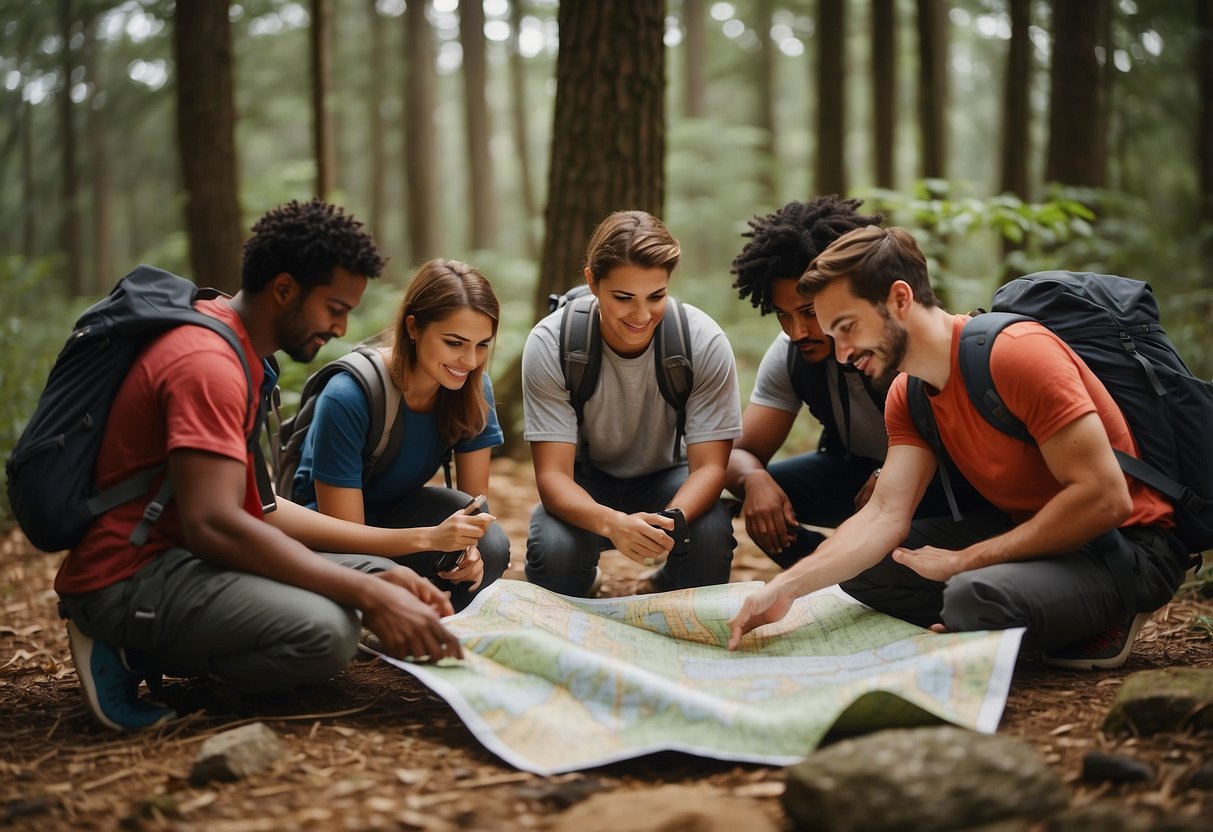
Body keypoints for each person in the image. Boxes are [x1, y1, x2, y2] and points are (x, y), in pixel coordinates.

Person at [55, 199, 465, 732]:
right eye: (334, 308)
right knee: (329, 634)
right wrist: (362, 593)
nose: (341, 328)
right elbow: (214, 525)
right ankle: (128, 649)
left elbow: (261, 509)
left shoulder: (243, 351)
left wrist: (388, 571)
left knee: (387, 580)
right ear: (284, 289)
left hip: (190, 556)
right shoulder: (208, 364)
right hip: (132, 573)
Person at [727, 225, 1190, 668]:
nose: (843, 352)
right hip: (1031, 538)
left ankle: (1097, 616)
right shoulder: (907, 394)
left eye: (847, 327)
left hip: (1122, 547)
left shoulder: (1017, 353)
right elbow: (883, 515)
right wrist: (784, 588)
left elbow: (1104, 498)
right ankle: (1001, 616)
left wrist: (964, 562)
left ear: (900, 298)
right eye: (834, 336)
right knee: (863, 568)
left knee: (974, 596)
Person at [522, 210, 742, 596]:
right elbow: (553, 476)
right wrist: (612, 524)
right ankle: (583, 579)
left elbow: (709, 468)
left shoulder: (703, 341)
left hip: (668, 479)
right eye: (623, 298)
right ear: (592, 281)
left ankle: (670, 583)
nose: (641, 315)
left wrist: (671, 522)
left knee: (711, 532)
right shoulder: (550, 343)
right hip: (584, 482)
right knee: (553, 554)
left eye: (656, 296)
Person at [289, 259, 508, 611]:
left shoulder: (473, 387)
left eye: (482, 345)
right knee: (380, 574)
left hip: (401, 515)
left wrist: (467, 551)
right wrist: (431, 540)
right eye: (455, 343)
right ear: (413, 327)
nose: (469, 360)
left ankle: (427, 608)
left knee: (492, 548)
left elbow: (474, 504)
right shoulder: (348, 395)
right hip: (332, 534)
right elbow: (348, 537)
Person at [726, 197, 888, 567]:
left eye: (810, 313)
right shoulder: (789, 354)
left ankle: (876, 577)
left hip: (935, 488)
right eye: (783, 315)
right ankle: (830, 578)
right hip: (854, 474)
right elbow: (736, 452)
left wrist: (893, 476)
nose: (797, 331)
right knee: (766, 500)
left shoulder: (898, 341)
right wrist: (753, 479)